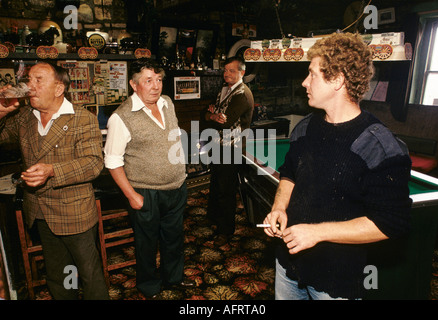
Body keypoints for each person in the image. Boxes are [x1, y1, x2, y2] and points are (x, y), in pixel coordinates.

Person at [263, 32, 412, 300]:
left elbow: (391, 223)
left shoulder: (380, 146)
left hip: (336, 280)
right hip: (288, 266)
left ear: (337, 80)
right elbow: (289, 173)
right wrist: (279, 207)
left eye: (312, 74)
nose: (304, 82)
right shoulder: (305, 126)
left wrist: (317, 233)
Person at [0, 62, 109, 300]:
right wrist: (2, 112)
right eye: (29, 79)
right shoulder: (24, 117)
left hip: (75, 212)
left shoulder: (81, 118)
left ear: (59, 89)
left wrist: (52, 171)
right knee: (58, 276)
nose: (31, 86)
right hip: (40, 211)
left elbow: (93, 163)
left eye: (39, 80)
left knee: (90, 276)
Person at [104, 59, 192, 299]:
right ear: (134, 84)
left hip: (176, 186)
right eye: (148, 81)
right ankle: (149, 286)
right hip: (145, 192)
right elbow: (112, 161)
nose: (156, 86)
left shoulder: (167, 103)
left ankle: (174, 278)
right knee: (146, 244)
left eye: (159, 80)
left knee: (174, 238)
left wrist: (181, 175)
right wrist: (132, 196)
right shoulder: (120, 117)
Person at [201, 56, 254, 246]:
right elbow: (205, 115)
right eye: (225, 70)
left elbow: (227, 121)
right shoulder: (224, 90)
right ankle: (215, 219)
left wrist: (212, 115)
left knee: (226, 190)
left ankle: (226, 231)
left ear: (242, 72)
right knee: (216, 185)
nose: (227, 74)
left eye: (232, 70)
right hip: (218, 145)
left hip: (232, 149)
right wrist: (212, 115)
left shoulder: (243, 93)